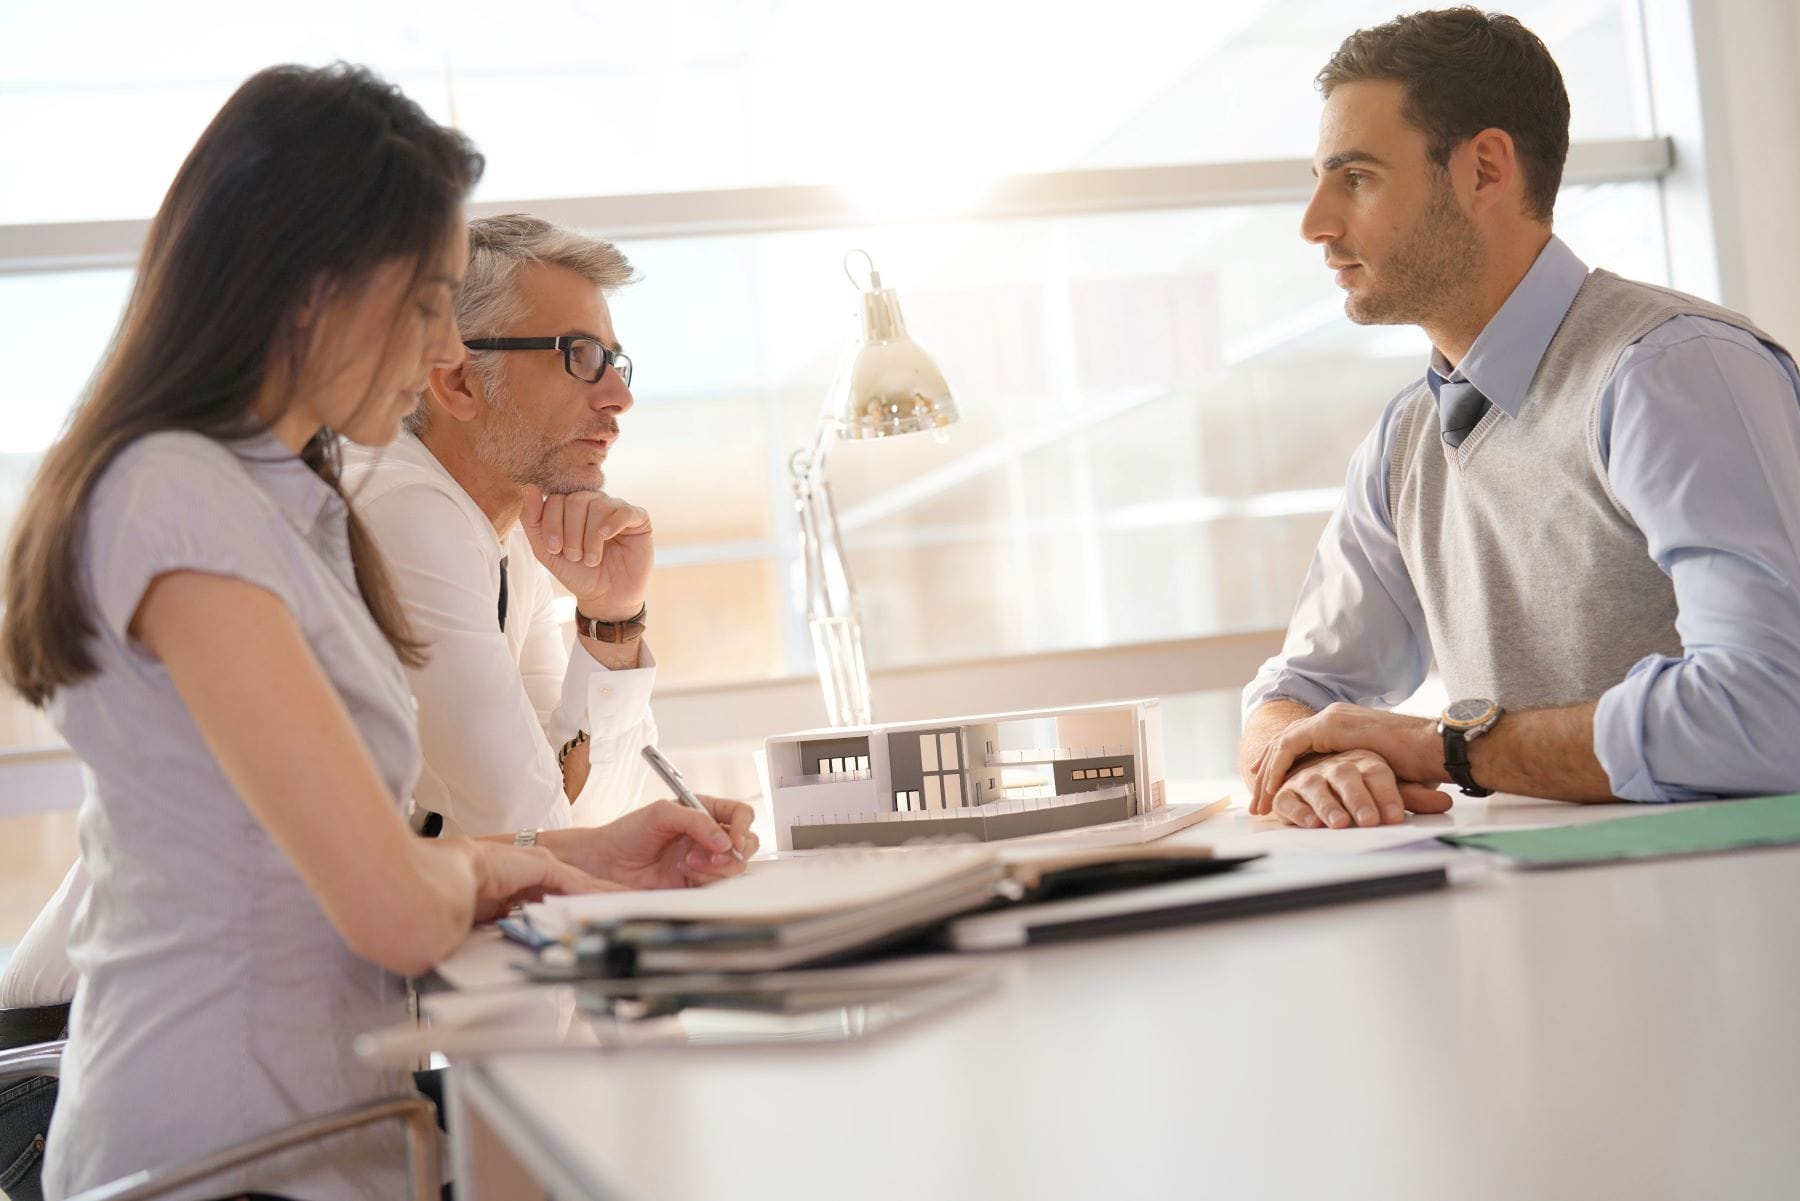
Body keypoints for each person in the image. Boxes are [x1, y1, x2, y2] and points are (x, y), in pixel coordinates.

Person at [0, 64, 751, 1201]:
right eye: (425, 298)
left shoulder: (283, 500)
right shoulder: (176, 498)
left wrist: (572, 858)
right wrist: (523, 862)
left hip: (319, 1132)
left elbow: (358, 853)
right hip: (217, 1156)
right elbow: (394, 905)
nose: (444, 343)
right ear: (313, 288)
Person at [1239, 7, 1800, 829]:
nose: (1315, 224)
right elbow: (1293, 694)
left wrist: (1447, 747)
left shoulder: (1672, 373)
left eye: (1355, 177)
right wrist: (1321, 757)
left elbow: (1771, 712)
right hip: (1543, 921)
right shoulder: (1406, 441)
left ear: (1485, 170)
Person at [339, 213, 659, 839]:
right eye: (582, 356)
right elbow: (530, 829)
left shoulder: (511, 536)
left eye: (615, 360)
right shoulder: (400, 510)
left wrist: (611, 619)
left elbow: (583, 819)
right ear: (458, 382)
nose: (619, 397)